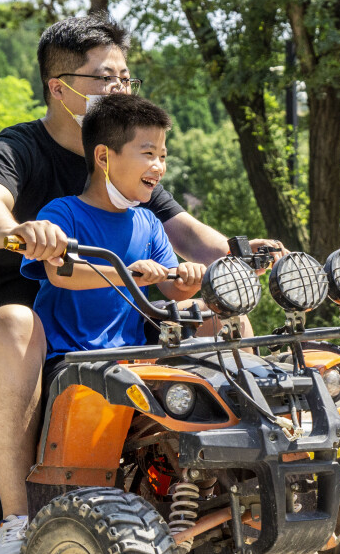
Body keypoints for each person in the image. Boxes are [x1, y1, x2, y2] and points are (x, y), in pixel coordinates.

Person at [0, 14, 282, 554]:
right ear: (60, 89)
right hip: (13, 340)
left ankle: (240, 487)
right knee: (16, 320)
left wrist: (235, 253)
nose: (120, 90)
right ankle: (18, 519)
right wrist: (19, 232)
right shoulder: (19, 148)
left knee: (219, 319)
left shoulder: (125, 158)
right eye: (105, 79)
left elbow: (181, 231)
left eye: (126, 79)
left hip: (114, 325)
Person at [19, 94, 204, 413]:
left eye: (163, 156)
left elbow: (173, 289)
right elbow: (61, 273)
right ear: (103, 157)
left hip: (135, 360)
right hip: (73, 361)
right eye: (148, 153)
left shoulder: (148, 222)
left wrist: (189, 278)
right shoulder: (62, 214)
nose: (159, 167)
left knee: (211, 316)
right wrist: (129, 273)